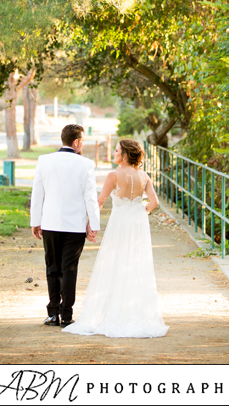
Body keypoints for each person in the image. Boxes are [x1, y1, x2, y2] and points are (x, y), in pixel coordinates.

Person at [62, 138, 168, 338]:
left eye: (117, 150)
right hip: (138, 222)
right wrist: (139, 211)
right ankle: (135, 311)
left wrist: (91, 224)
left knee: (115, 262)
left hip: (119, 222)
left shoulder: (113, 175)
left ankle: (112, 311)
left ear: (125, 155)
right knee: (136, 262)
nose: (113, 153)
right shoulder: (144, 176)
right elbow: (154, 202)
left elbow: (100, 200)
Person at [30, 124, 100, 326]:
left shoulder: (44, 160)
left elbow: (37, 194)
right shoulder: (86, 164)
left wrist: (35, 221)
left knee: (52, 267)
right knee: (69, 269)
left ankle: (53, 313)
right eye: (82, 141)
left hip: (50, 223)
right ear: (76, 142)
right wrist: (93, 224)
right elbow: (90, 197)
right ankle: (67, 316)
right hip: (75, 226)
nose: (82, 145)